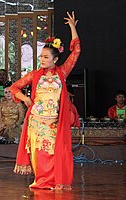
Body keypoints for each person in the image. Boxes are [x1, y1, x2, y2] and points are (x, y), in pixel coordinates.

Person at [9, 11, 80, 190]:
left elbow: (76, 51)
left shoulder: (62, 73)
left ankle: (55, 181)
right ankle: (41, 182)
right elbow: (14, 88)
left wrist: (72, 27)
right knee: (39, 153)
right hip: (36, 121)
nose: (42, 59)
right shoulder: (35, 75)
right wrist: (25, 99)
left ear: (55, 59)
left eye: (46, 57)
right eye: (41, 56)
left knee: (54, 152)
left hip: (54, 122)